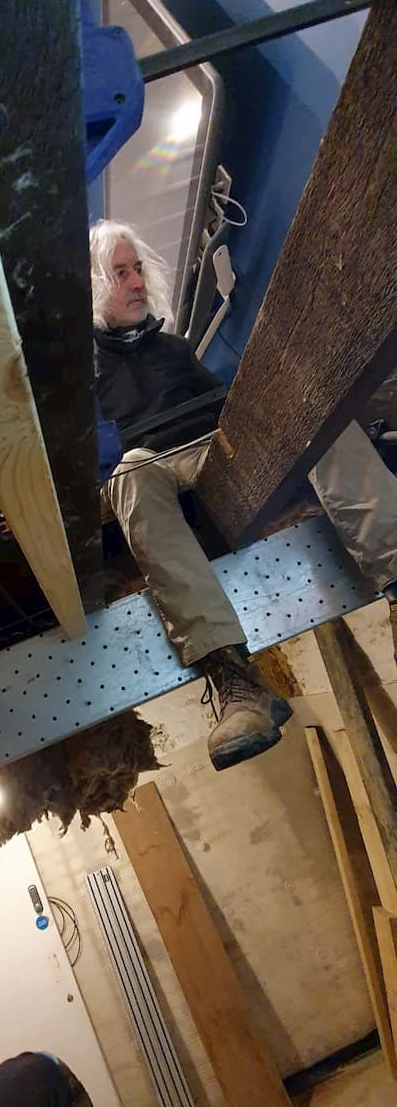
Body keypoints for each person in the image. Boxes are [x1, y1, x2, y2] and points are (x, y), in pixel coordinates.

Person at [90, 219, 397, 769]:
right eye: (120, 272)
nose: (136, 281)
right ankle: (236, 681)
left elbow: (231, 411)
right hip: (153, 466)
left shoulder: (172, 348)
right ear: (93, 283)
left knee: (312, 414)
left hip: (217, 444)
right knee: (128, 474)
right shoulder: (82, 373)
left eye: (137, 268)